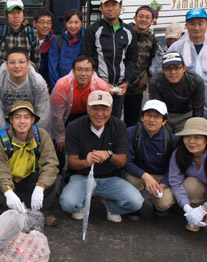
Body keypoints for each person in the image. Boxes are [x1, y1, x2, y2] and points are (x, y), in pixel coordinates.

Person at [59, 90, 144, 223]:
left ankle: (110, 205)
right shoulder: (74, 127)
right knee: (68, 203)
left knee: (136, 202)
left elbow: (122, 161)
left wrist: (109, 154)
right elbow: (72, 161)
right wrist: (86, 162)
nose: (99, 114)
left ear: (111, 109)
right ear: (88, 108)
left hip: (110, 177)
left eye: (104, 109)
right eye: (95, 108)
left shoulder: (119, 126)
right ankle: (80, 204)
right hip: (83, 176)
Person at [0, 101, 59, 226]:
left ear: (32, 120)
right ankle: (12, 210)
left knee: (52, 181)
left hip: (31, 178)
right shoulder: (1, 140)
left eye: (26, 117)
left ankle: (42, 213)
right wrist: (8, 191)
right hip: (11, 180)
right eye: (17, 117)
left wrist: (40, 187)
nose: (22, 121)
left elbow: (50, 164)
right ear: (11, 119)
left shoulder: (41, 135)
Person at [81, 0, 138, 119]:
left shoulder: (129, 32)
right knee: (96, 119)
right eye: (107, 5)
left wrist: (127, 81)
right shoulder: (93, 30)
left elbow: (131, 59)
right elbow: (87, 58)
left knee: (115, 121)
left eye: (114, 4)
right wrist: (100, 82)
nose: (110, 8)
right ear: (101, 8)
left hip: (119, 88)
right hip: (98, 86)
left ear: (120, 7)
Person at [167, 8, 207, 119]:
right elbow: (167, 70)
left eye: (200, 23)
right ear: (186, 25)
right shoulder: (177, 47)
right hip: (183, 99)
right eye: (192, 24)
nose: (196, 28)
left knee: (205, 129)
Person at [123, 100, 178, 219]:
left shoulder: (172, 140)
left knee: (163, 203)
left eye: (157, 117)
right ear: (142, 117)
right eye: (148, 115)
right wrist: (145, 176)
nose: (152, 120)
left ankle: (157, 205)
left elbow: (173, 167)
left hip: (160, 176)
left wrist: (164, 183)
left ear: (164, 121)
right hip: (137, 174)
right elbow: (126, 162)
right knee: (131, 182)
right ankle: (133, 207)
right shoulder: (131, 133)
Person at [50, 55, 110, 151]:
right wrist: (61, 135)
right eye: (79, 69)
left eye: (87, 70)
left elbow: (105, 112)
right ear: (73, 71)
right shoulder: (62, 85)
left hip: (90, 116)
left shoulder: (101, 86)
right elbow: (57, 114)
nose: (83, 74)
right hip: (67, 116)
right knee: (59, 145)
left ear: (93, 71)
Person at [0, 47, 51, 132]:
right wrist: (3, 134)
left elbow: (43, 112)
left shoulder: (38, 81)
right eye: (12, 62)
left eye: (21, 62)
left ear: (28, 64)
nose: (17, 66)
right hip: (6, 120)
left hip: (30, 121)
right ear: (6, 65)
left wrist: (36, 134)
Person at [148, 51, 205, 132]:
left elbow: (198, 109)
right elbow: (157, 107)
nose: (173, 72)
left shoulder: (196, 80)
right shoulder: (155, 82)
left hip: (186, 115)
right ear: (163, 69)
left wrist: (194, 126)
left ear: (184, 68)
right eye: (168, 69)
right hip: (165, 115)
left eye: (177, 68)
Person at [124, 5, 162, 127]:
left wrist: (149, 76)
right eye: (141, 16)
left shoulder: (153, 40)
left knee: (133, 121)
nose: (143, 20)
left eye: (147, 17)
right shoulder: (124, 34)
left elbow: (156, 61)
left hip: (136, 88)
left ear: (152, 21)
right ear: (135, 18)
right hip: (119, 84)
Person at [0, 0, 40, 73]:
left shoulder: (32, 34)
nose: (16, 16)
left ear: (23, 14)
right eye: (11, 13)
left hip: (25, 79)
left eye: (18, 12)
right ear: (6, 15)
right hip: (3, 79)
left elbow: (36, 61)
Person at [48, 9, 85, 85]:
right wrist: (57, 86)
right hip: (60, 85)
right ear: (65, 23)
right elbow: (52, 67)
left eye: (76, 22)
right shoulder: (57, 40)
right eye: (70, 22)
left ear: (81, 23)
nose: (73, 26)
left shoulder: (86, 40)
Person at [32, 9, 55, 88]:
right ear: (34, 23)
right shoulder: (28, 39)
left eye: (48, 22)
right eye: (42, 22)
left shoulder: (55, 41)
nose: (45, 26)